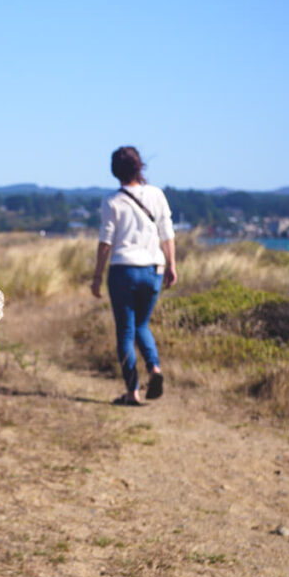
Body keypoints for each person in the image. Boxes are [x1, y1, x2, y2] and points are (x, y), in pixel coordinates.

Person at [91, 146, 177, 405]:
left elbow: (106, 241)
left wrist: (96, 276)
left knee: (126, 332)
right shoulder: (156, 194)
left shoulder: (112, 201)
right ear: (140, 167)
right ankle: (155, 368)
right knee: (142, 325)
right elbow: (167, 233)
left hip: (123, 270)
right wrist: (171, 265)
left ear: (115, 170)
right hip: (153, 269)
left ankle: (133, 392)